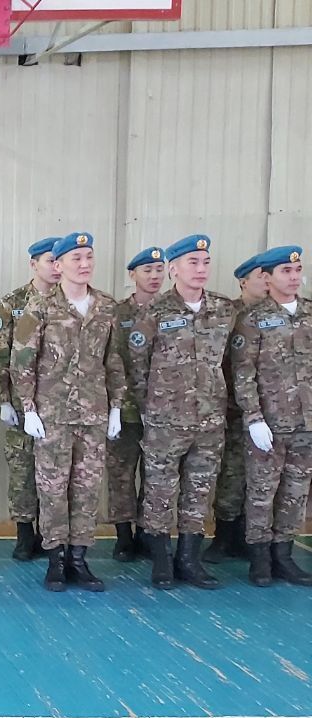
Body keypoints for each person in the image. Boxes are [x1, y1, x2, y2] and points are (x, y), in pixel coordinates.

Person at [12, 232, 125, 593]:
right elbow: (22, 362)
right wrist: (28, 408)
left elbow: (114, 361)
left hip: (93, 414)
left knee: (87, 489)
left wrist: (116, 407)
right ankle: (56, 559)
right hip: (53, 415)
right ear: (58, 265)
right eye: (76, 258)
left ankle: (79, 558)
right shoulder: (39, 308)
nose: (84, 264)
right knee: (52, 489)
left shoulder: (106, 307)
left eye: (89, 257)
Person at [128, 234, 234, 590]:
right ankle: (161, 559)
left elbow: (229, 361)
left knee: (199, 490)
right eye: (192, 262)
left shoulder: (223, 310)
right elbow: (137, 367)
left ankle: (189, 559)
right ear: (173, 269)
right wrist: (148, 409)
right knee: (159, 489)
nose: (201, 269)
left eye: (205, 262)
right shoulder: (154, 312)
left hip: (210, 419)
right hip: (165, 421)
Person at [229, 245, 312, 587]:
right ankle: (260, 557)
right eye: (285, 271)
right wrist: (253, 417)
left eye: (297, 270)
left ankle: (284, 555)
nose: (293, 277)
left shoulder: (309, 313)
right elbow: (243, 372)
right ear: (267, 277)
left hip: (306, 422)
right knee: (262, 491)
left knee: (296, 491)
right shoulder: (253, 319)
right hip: (269, 422)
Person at [0, 237, 61, 560]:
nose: (56, 267)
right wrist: (4, 398)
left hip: (61, 401)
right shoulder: (13, 303)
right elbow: (0, 353)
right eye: (49, 261)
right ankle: (24, 533)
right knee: (22, 467)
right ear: (34, 264)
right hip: (22, 401)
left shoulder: (71, 302)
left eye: (59, 260)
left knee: (57, 470)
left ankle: (51, 534)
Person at [204, 254, 269, 564]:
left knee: (261, 479)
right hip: (231, 409)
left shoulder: (278, 315)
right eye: (261, 276)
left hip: (272, 411)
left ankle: (249, 536)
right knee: (231, 474)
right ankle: (224, 536)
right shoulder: (228, 314)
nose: (267, 282)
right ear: (244, 281)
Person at [106, 246, 165, 562]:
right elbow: (109, 358)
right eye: (147, 270)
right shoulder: (117, 313)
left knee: (156, 476)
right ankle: (123, 536)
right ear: (133, 274)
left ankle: (147, 533)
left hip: (162, 410)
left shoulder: (172, 311)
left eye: (159, 269)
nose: (154, 276)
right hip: (125, 409)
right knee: (121, 474)